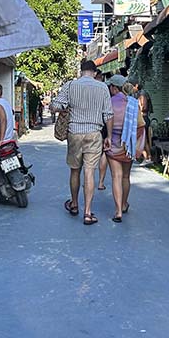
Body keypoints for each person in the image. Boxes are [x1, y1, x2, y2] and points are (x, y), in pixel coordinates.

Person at [51, 59, 113, 225]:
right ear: (94, 72)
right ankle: (87, 213)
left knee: (75, 170)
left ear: (81, 71)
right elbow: (108, 114)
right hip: (94, 133)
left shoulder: (70, 85)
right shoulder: (103, 88)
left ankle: (74, 204)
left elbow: (54, 106)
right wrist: (109, 137)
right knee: (89, 172)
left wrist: (65, 108)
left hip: (74, 133)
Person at [105, 76, 146, 222]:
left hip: (112, 145)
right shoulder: (133, 104)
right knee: (125, 177)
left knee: (116, 176)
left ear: (114, 88)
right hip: (128, 145)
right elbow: (141, 126)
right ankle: (123, 204)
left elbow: (104, 122)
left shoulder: (109, 102)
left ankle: (118, 212)